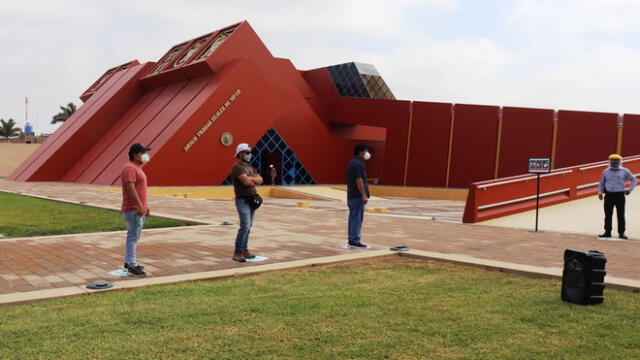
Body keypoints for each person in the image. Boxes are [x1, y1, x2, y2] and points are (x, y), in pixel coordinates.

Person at [121, 143, 151, 276]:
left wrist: (145, 206)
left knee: (135, 236)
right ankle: (132, 265)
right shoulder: (129, 168)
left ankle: (129, 261)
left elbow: (140, 190)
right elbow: (131, 188)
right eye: (143, 152)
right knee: (133, 236)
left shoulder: (137, 168)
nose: (145, 155)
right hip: (133, 209)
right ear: (135, 155)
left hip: (138, 208)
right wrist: (139, 206)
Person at [231, 143, 263, 262]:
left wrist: (252, 179)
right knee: (244, 226)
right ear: (240, 153)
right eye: (247, 152)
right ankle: (237, 252)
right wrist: (253, 180)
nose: (249, 155)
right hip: (242, 200)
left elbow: (261, 179)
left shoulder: (250, 167)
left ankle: (244, 250)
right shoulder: (237, 167)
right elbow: (247, 182)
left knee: (248, 226)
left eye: (250, 152)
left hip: (252, 199)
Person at [597, 154, 637, 239]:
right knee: (608, 215)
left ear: (619, 161)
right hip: (608, 195)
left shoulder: (624, 171)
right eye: (612, 160)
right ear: (609, 161)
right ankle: (607, 232)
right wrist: (600, 193)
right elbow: (601, 183)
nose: (614, 162)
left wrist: (629, 190)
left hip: (619, 195)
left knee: (621, 214)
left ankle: (621, 233)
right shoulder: (606, 171)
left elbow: (634, 180)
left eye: (616, 160)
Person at [346, 143, 371, 249]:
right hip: (357, 196)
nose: (367, 153)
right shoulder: (358, 164)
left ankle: (352, 239)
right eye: (366, 151)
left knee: (353, 217)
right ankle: (355, 240)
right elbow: (359, 180)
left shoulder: (352, 163)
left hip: (351, 196)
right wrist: (363, 195)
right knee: (357, 218)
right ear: (361, 152)